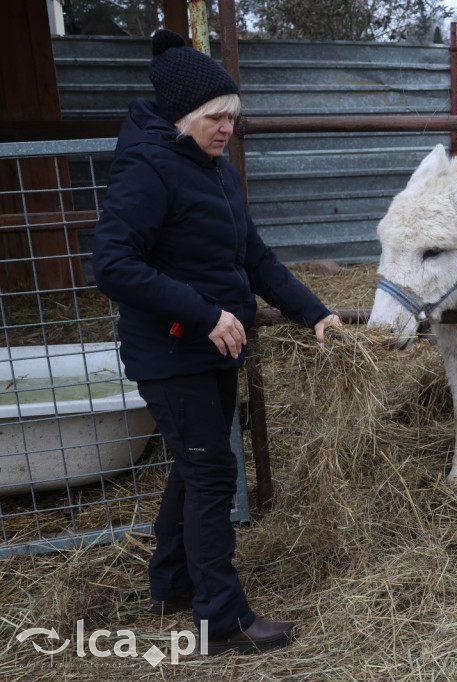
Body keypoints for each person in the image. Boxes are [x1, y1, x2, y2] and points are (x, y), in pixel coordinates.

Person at [92, 28, 340, 656]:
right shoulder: (147, 166)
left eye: (232, 116)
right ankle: (221, 622)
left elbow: (254, 257)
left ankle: (172, 582)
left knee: (195, 466)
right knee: (211, 475)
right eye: (215, 117)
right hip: (172, 352)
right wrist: (203, 314)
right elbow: (113, 265)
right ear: (182, 115)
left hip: (213, 350)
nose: (228, 128)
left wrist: (313, 311)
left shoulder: (218, 173)